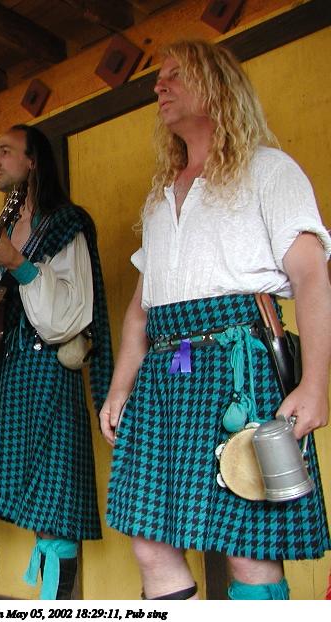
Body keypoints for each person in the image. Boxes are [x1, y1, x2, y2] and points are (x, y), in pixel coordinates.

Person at [99, 40, 331, 600]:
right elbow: (141, 309)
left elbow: (311, 276)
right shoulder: (160, 198)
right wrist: (120, 388)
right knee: (150, 542)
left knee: (247, 547)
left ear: (218, 85)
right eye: (159, 78)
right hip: (163, 375)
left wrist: (315, 384)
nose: (160, 86)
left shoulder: (268, 170)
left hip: (237, 363)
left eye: (177, 74)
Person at [0, 124, 113, 599]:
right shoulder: (4, 228)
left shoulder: (67, 224)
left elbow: (67, 318)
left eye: (5, 152)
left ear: (33, 161)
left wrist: (20, 264)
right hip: (2, 378)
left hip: (47, 375)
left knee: (51, 520)